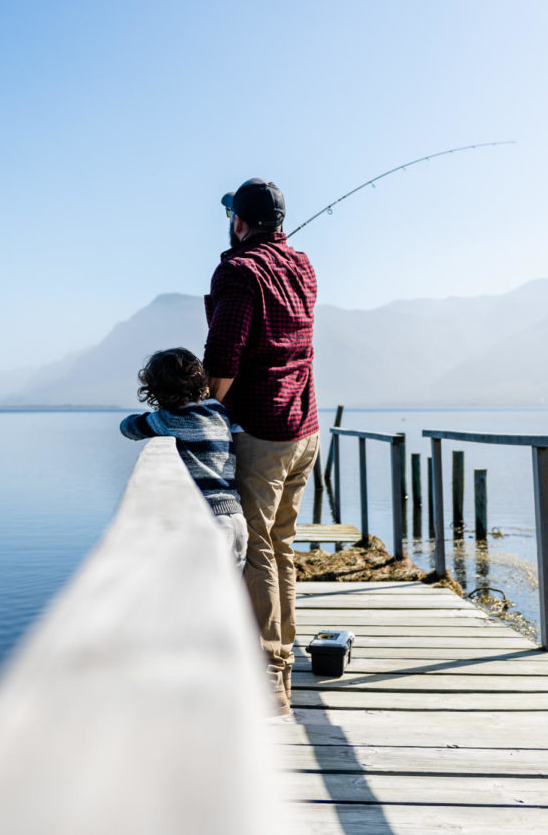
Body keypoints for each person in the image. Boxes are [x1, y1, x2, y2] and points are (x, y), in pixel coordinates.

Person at [203, 178, 319, 716]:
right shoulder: (303, 267)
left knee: (258, 554)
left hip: (263, 433)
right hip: (305, 429)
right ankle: (282, 665)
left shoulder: (239, 271)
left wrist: (199, 409)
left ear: (239, 221)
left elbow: (225, 356)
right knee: (282, 548)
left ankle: (269, 681)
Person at [119, 347, 247, 573]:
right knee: (232, 593)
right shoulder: (218, 411)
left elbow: (128, 428)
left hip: (209, 519)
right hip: (236, 516)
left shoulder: (171, 418)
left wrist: (153, 416)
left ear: (155, 390)